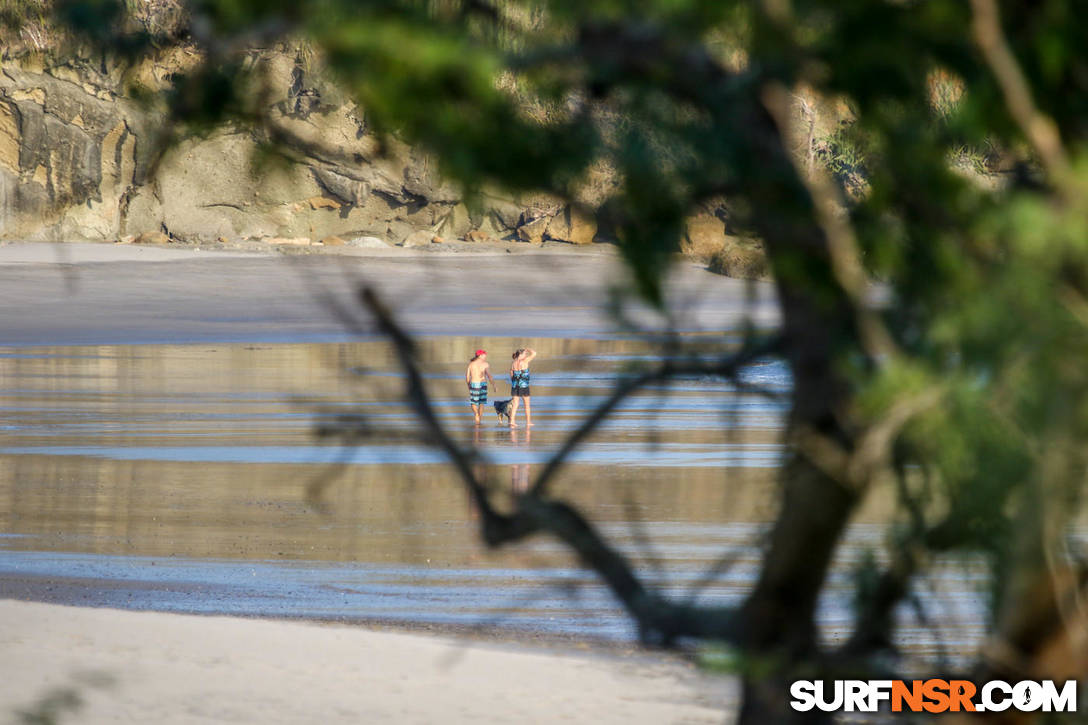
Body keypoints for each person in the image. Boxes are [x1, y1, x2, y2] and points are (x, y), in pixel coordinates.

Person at [508, 347, 536, 428]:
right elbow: (534, 353)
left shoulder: (513, 363)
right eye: (525, 354)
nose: (526, 355)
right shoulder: (524, 361)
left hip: (515, 385)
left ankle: (512, 421)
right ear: (520, 354)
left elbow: (511, 373)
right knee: (527, 405)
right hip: (524, 386)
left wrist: (514, 381)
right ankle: (528, 422)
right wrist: (528, 349)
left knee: (515, 404)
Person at [466, 349, 494, 424]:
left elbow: (467, 377)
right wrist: (493, 385)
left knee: (473, 402)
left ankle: (476, 414)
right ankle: (479, 419)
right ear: (480, 355)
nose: (486, 356)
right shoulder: (485, 364)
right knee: (481, 402)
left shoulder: (471, 364)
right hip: (483, 384)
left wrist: (469, 386)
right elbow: (489, 376)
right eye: (484, 355)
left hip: (474, 384)